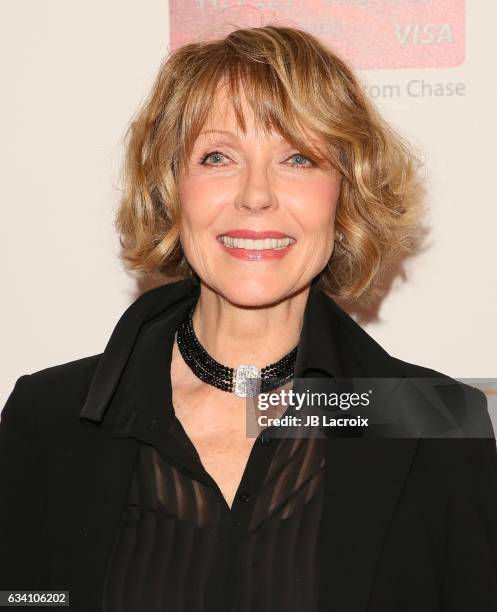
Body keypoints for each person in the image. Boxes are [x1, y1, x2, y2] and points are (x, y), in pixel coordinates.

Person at [1, 24, 496, 612]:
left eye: (298, 157)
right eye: (217, 157)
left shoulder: (434, 427)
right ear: (170, 187)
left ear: (346, 194)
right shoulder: (48, 420)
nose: (255, 195)